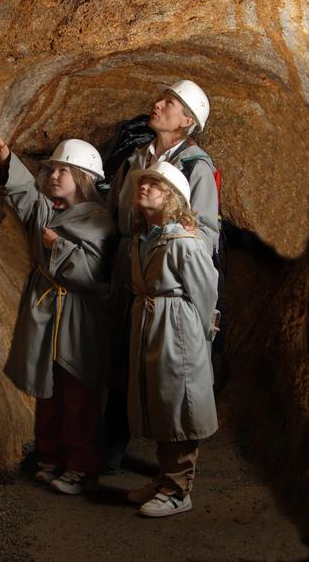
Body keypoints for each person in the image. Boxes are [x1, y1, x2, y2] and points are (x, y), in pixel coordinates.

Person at [0, 116, 115, 495]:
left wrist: (58, 246)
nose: (54, 176)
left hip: (78, 315)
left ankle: (81, 465)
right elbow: (24, 195)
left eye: (64, 171)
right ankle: (51, 455)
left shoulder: (101, 221)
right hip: (48, 310)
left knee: (78, 391)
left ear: (83, 177)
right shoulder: (49, 210)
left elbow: (94, 273)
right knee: (48, 388)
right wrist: (3, 153)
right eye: (53, 169)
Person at [104, 80, 219, 472]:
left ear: (187, 120)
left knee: (168, 369)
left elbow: (205, 233)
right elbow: (111, 213)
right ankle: (109, 449)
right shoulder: (135, 159)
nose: (158, 104)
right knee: (121, 353)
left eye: (169, 103)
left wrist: (170, 245)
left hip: (166, 271)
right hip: (128, 263)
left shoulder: (196, 166)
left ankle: (167, 470)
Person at [127, 161, 219, 517]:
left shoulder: (186, 242)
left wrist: (199, 335)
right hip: (152, 320)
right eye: (144, 183)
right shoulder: (144, 238)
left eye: (155, 185)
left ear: (173, 198)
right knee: (161, 400)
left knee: (180, 401)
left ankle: (180, 490)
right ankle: (165, 478)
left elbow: (205, 293)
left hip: (177, 325)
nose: (144, 188)